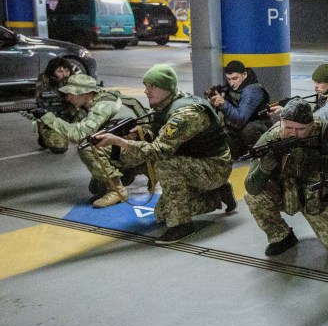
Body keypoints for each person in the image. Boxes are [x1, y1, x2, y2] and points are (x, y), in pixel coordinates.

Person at [94, 64, 236, 244]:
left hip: (215, 166)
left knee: (165, 164)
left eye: (152, 86)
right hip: (195, 162)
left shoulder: (185, 114)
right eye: (146, 86)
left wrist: (120, 142)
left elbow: (160, 150)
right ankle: (216, 194)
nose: (146, 91)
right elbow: (157, 133)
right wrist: (136, 134)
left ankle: (182, 226)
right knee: (162, 213)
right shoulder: (166, 104)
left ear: (167, 88)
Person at [244, 98, 328, 257]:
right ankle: (281, 237)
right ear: (281, 122)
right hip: (286, 193)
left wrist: (308, 159)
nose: (293, 133)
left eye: (300, 129)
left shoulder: (322, 130)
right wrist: (264, 169)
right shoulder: (269, 139)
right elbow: (252, 188)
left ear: (312, 124)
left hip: (319, 195)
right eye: (289, 127)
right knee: (254, 197)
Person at [27, 73, 150, 207]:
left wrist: (49, 118)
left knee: (87, 147)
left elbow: (79, 134)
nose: (68, 97)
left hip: (140, 149)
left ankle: (117, 191)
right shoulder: (99, 100)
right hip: (134, 146)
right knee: (96, 188)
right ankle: (137, 169)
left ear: (86, 93)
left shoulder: (102, 105)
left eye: (72, 93)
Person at [207, 60, 271, 159]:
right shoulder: (232, 87)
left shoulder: (252, 91)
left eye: (235, 78)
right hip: (237, 132)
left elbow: (240, 119)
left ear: (244, 75)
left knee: (250, 129)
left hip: (257, 128)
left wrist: (223, 103)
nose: (232, 83)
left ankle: (263, 154)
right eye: (228, 79)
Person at [34, 57, 81, 153]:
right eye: (60, 71)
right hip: (53, 118)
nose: (64, 74)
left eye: (67, 71)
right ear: (52, 72)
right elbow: (40, 97)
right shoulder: (45, 81)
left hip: (70, 114)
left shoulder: (74, 80)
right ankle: (45, 135)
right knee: (59, 147)